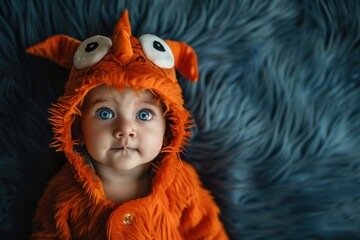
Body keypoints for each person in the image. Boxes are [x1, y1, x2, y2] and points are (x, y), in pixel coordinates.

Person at [27, 10, 228, 239]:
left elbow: (208, 234)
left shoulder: (182, 185)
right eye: (104, 113)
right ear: (77, 126)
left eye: (143, 115)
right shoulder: (63, 192)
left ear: (169, 127)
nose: (124, 129)